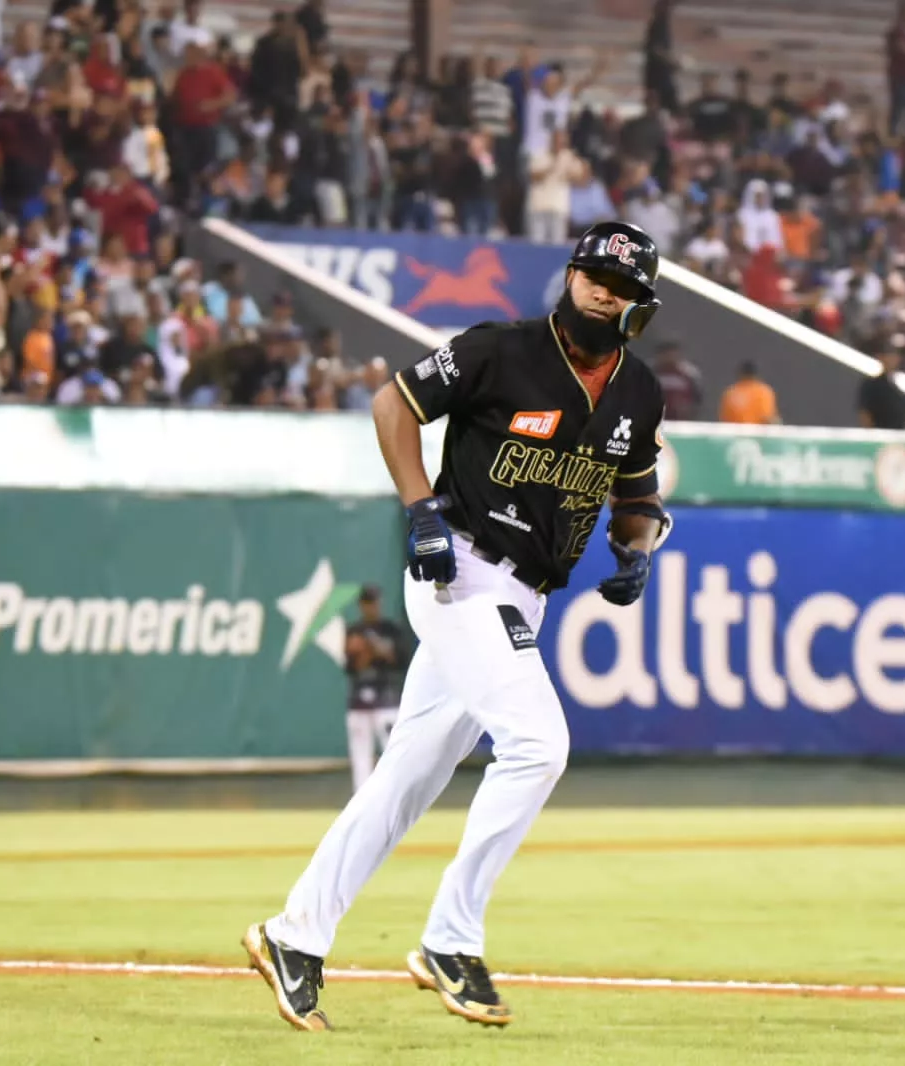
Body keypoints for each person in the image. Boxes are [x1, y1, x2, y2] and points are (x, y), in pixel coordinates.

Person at [244, 221, 673, 1032]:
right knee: (540, 744)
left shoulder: (637, 391)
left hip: (529, 595)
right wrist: (418, 509)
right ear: (571, 276)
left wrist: (637, 548)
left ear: (636, 307)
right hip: (463, 573)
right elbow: (392, 403)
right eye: (589, 276)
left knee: (407, 778)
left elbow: (638, 496)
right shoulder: (499, 350)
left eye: (615, 289)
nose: (597, 293)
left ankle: (292, 935)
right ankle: (450, 938)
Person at [342, 585, 410, 793]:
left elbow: (400, 660)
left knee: (394, 752)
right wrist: (363, 654)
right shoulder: (354, 631)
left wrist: (377, 649)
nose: (371, 606)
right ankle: (361, 802)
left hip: (386, 700)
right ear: (361, 605)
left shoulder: (390, 629)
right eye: (367, 602)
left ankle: (397, 796)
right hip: (359, 701)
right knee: (361, 757)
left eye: (374, 601)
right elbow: (350, 667)